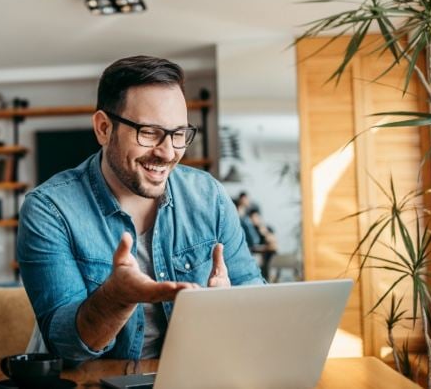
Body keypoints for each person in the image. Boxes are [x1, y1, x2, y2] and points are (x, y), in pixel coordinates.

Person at [17, 56, 264, 364]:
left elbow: (254, 295)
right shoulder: (49, 209)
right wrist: (116, 299)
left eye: (178, 134)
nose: (167, 152)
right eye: (149, 132)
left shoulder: (208, 195)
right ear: (104, 128)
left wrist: (230, 306)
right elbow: (65, 347)